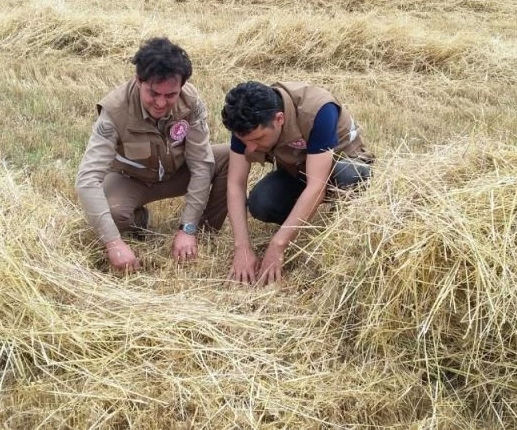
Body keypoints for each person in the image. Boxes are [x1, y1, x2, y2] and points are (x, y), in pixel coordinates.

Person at [75, 37, 229, 272]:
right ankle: (138, 221)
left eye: (170, 95)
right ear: (138, 81)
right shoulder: (115, 111)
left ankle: (204, 233)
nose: (160, 103)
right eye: (153, 93)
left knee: (229, 158)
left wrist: (188, 228)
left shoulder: (191, 101)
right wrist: (113, 243)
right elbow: (87, 180)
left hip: (178, 171)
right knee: (114, 215)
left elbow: (200, 164)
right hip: (133, 178)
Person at [221, 81, 373, 285]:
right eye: (244, 140)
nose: (250, 147)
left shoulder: (319, 109)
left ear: (279, 119)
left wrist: (278, 244)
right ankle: (302, 217)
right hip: (298, 169)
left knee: (349, 175)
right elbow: (235, 184)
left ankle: (346, 226)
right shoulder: (245, 123)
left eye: (258, 139)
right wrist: (242, 248)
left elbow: (317, 186)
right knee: (261, 202)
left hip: (342, 164)